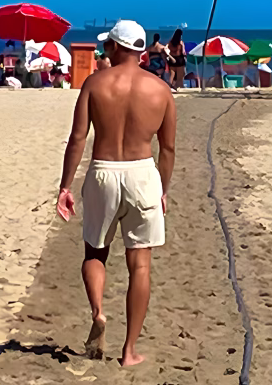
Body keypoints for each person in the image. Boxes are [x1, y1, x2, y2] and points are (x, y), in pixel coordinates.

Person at [57, 20, 176, 368]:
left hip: (104, 172)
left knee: (95, 252)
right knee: (140, 265)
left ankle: (98, 311)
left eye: (107, 44)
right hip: (142, 173)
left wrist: (65, 185)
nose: (104, 49)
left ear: (117, 47)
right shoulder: (161, 90)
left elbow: (78, 138)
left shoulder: (95, 84)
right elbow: (167, 149)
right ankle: (129, 351)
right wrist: (163, 189)